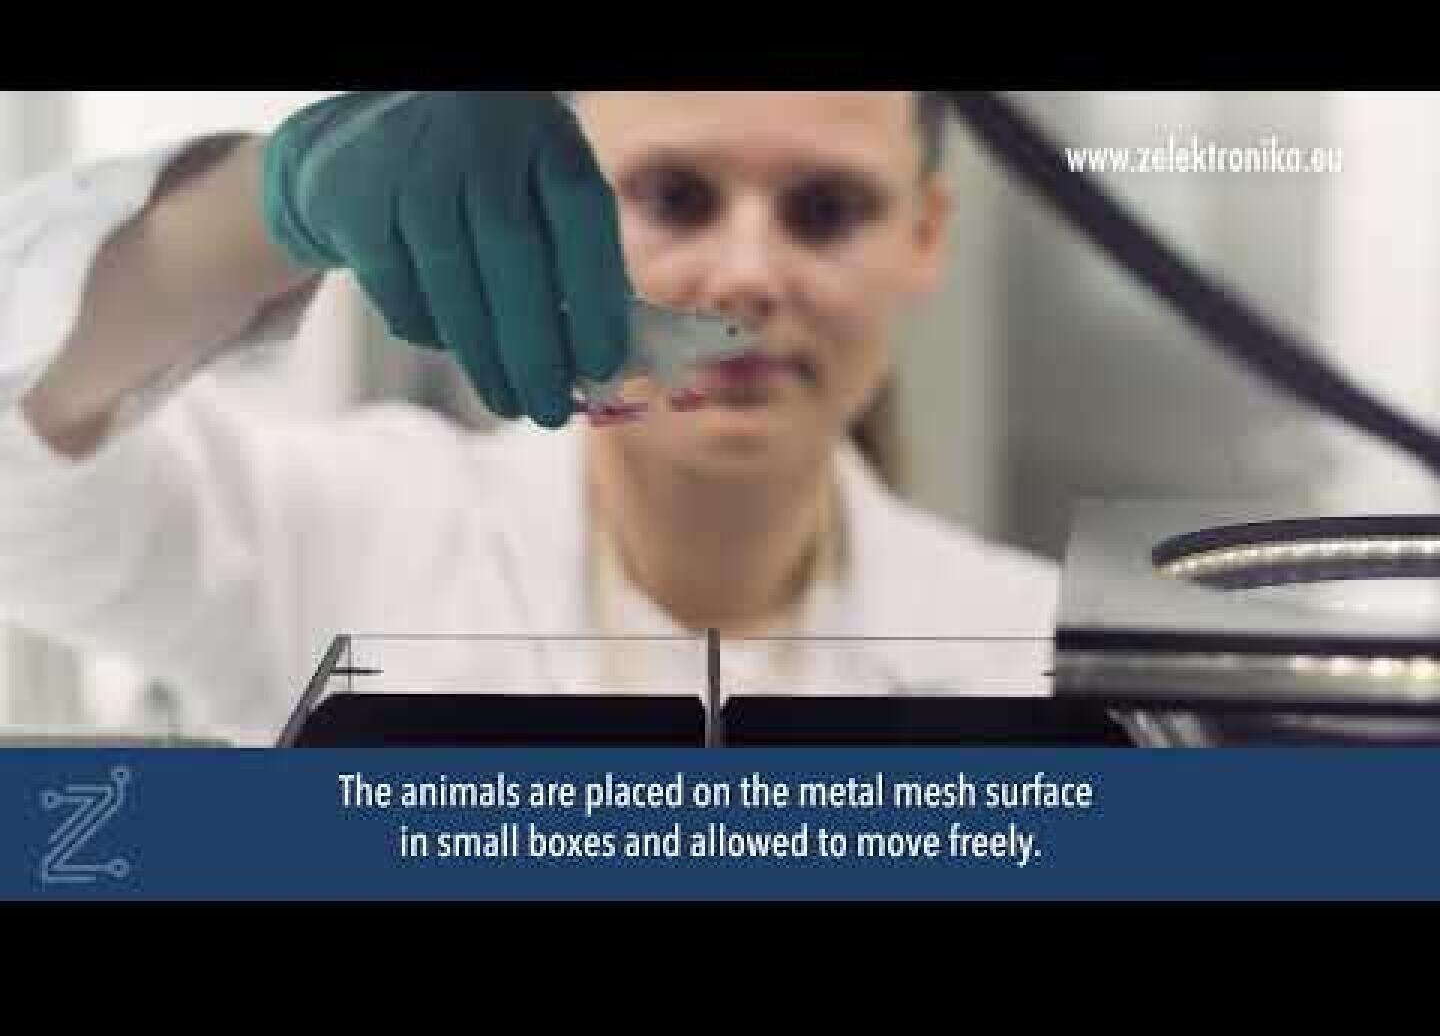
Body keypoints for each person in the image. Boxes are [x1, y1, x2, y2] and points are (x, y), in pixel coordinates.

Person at [0, 91, 1057, 746]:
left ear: (924, 234)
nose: (748, 275)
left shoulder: (1041, 652)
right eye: (675, 196)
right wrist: (266, 209)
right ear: (551, 209)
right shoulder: (348, 536)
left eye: (825, 210)